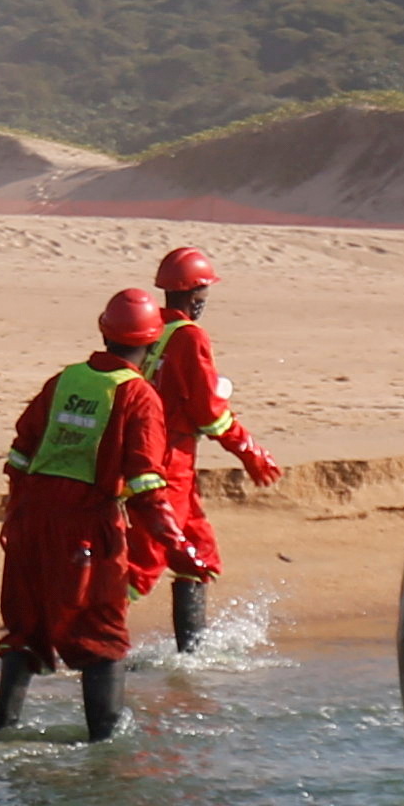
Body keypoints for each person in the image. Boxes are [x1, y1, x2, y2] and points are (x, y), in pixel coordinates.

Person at [0, 287, 191, 741]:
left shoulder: (65, 380)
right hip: (85, 525)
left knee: (25, 626)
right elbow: (144, 479)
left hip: (29, 519)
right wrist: (173, 539)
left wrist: (17, 514)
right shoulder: (139, 396)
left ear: (106, 331)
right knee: (102, 632)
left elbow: (22, 451)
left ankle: (1, 731)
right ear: (150, 342)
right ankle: (105, 743)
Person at [127, 246, 283, 651]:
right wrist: (250, 451)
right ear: (196, 295)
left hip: (153, 452)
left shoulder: (149, 327)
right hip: (167, 461)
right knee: (146, 560)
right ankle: (84, 635)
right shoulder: (190, 337)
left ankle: (191, 655)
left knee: (196, 552)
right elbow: (209, 411)